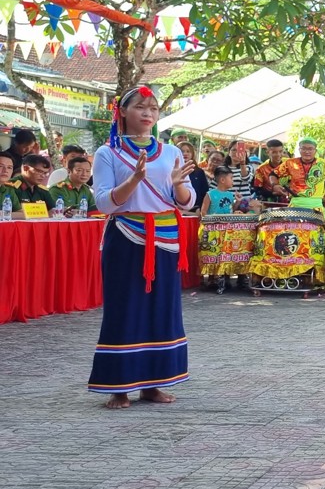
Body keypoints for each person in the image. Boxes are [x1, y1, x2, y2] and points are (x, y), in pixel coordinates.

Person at [88, 85, 196, 409]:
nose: (148, 113)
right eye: (140, 107)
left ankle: (154, 384)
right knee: (125, 310)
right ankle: (118, 387)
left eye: (153, 108)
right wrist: (134, 180)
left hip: (164, 239)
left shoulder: (172, 153)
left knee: (163, 311)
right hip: (126, 237)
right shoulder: (108, 153)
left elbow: (187, 203)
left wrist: (178, 186)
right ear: (122, 111)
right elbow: (105, 203)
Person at [199, 166, 237, 294]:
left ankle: (225, 278)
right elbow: (204, 212)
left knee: (225, 254)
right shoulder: (210, 194)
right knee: (213, 254)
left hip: (228, 230)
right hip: (213, 230)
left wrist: (238, 204)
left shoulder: (231, 195)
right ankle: (212, 279)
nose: (233, 181)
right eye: (231, 178)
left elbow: (231, 209)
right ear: (222, 179)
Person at [280, 138, 325, 204]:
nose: (307, 152)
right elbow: (273, 174)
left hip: (316, 205)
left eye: (310, 149)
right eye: (304, 148)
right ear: (299, 150)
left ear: (315, 151)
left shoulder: (324, 164)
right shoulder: (290, 163)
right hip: (295, 204)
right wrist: (275, 185)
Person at [253, 139, 291, 204]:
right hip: (269, 202)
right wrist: (273, 193)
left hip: (289, 201)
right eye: (274, 152)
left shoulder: (290, 164)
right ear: (267, 152)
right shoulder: (261, 169)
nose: (278, 155)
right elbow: (257, 189)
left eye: (281, 151)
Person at [177, 142, 209, 214]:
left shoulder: (199, 172)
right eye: (182, 151)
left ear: (192, 154)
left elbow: (204, 193)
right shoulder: (172, 171)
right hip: (176, 210)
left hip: (196, 210)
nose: (185, 153)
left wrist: (200, 208)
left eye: (188, 151)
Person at [0, 152, 26, 219]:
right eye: (0, 166)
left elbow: (22, 214)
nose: (5, 170)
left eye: (9, 167)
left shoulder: (8, 189)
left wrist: (3, 214)